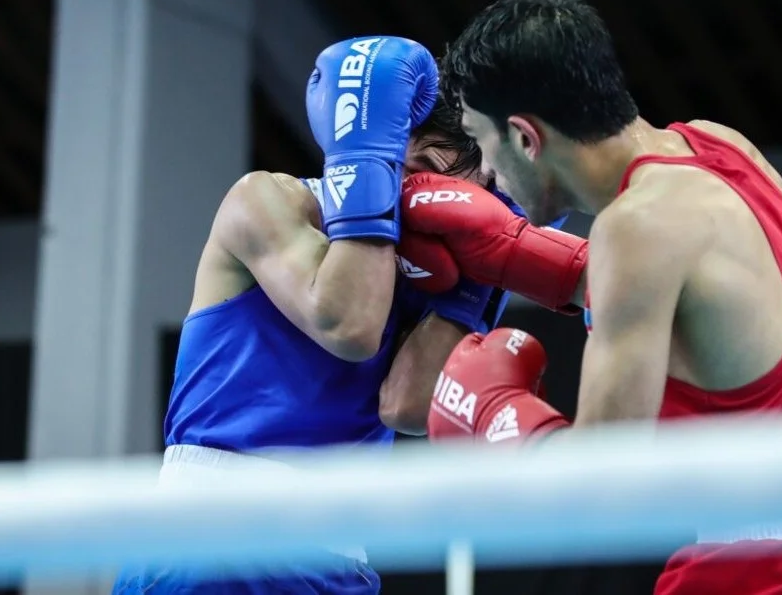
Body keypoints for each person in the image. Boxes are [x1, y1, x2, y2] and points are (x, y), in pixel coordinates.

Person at [398, 0, 782, 594]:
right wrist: (509, 254)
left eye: (483, 141)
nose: (489, 172)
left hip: (781, 569)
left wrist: (497, 415)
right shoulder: (721, 147)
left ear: (526, 137)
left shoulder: (633, 231)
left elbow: (599, 487)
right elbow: (709, 304)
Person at [112, 37, 520, 594]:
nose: (421, 196)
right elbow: (348, 325)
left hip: (335, 552)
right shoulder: (268, 201)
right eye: (415, 168)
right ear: (380, 145)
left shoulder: (430, 278)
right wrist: (367, 175)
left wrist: (483, 276)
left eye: (451, 191)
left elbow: (407, 407)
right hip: (211, 533)